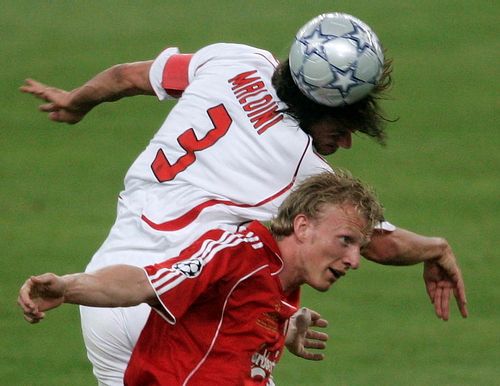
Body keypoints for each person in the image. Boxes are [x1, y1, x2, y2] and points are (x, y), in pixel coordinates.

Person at [20, 12, 467, 386]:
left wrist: (77, 102)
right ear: (316, 109)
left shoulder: (236, 61)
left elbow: (126, 76)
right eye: (340, 128)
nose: (346, 143)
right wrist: (436, 248)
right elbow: (376, 241)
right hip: (179, 306)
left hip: (104, 291)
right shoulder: (301, 169)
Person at [19, 170, 384, 385]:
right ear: (303, 227)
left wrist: (281, 325)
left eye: (359, 246)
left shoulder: (283, 282)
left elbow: (233, 322)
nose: (354, 260)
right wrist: (69, 287)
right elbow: (145, 284)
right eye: (346, 241)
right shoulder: (236, 255)